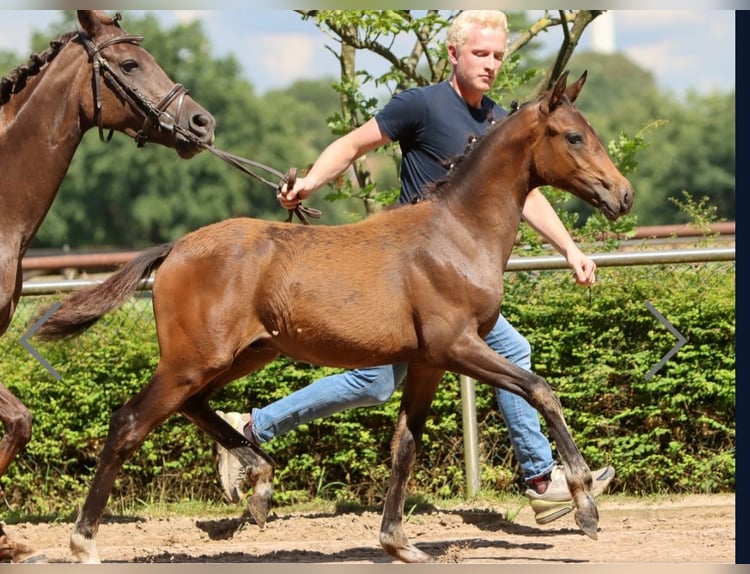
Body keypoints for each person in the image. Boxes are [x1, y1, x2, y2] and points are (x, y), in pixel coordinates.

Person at [217, 9, 614, 525]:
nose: (491, 64)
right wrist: (310, 182)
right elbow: (355, 143)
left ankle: (540, 479)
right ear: (454, 54)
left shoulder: (497, 121)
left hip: (454, 283)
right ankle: (253, 428)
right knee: (378, 383)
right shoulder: (422, 105)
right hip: (401, 274)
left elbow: (526, 195)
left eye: (497, 55)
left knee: (496, 352)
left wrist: (569, 248)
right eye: (480, 53)